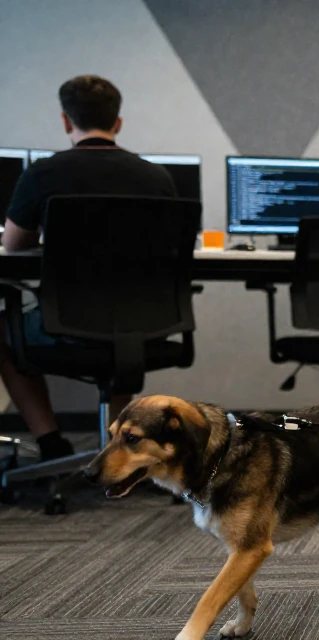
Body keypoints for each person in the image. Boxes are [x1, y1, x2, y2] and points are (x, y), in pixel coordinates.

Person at [2, 75, 176, 462]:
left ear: (66, 121)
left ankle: (51, 445)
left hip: (66, 324)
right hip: (141, 325)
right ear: (118, 123)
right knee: (123, 329)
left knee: (3, 332)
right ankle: (120, 447)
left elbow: (12, 247)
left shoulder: (43, 174)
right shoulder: (157, 177)